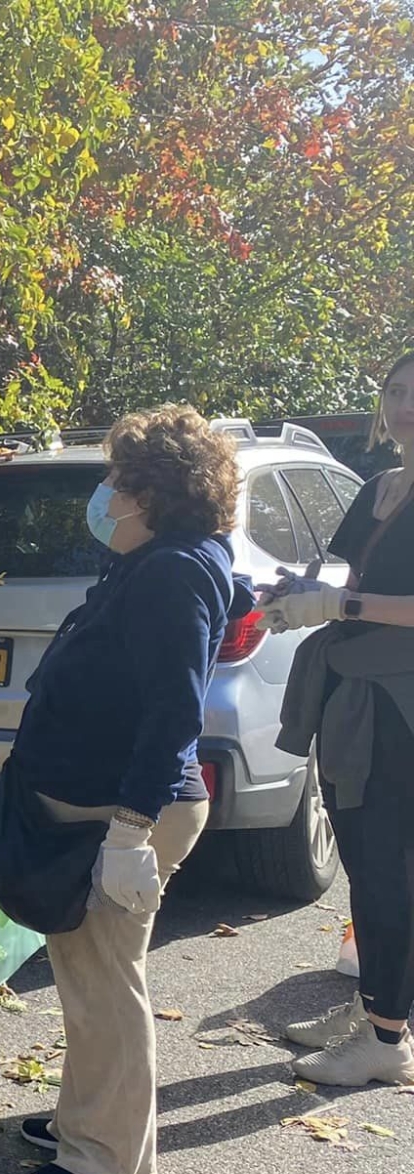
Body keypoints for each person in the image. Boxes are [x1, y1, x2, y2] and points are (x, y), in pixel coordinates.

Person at [3, 405, 252, 1174]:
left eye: (115, 479)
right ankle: (87, 1117)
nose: (105, 494)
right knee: (89, 974)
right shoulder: (153, 560)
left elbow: (175, 711)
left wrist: (129, 833)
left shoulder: (173, 571)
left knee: (106, 979)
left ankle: (108, 1158)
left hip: (124, 810)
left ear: (150, 492)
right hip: (101, 801)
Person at [267, 351, 414, 1087]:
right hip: (351, 694)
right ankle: (375, 1006)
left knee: (389, 866)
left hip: (400, 704)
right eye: (395, 390)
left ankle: (386, 1041)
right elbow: (351, 584)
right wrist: (298, 594)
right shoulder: (379, 488)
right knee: (363, 860)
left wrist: (340, 605)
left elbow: (366, 602)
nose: (404, 405)